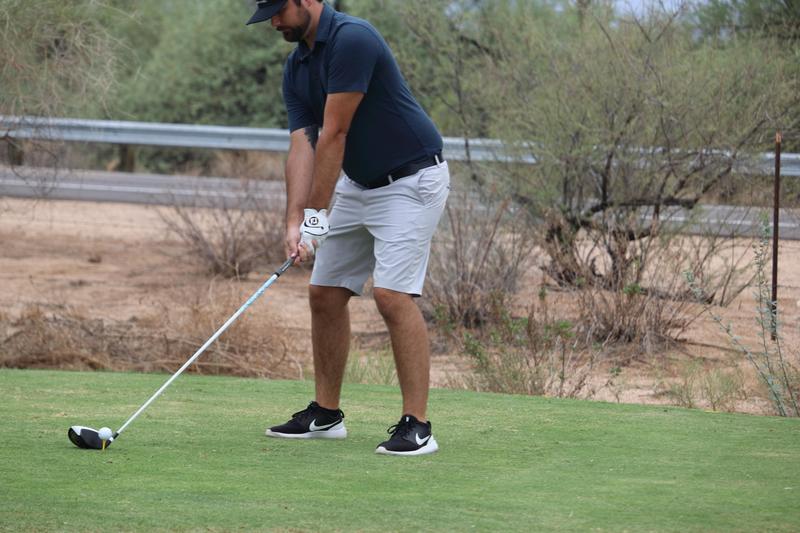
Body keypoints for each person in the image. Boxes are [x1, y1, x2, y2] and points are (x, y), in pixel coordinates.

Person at [247, 0, 449, 456]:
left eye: (278, 11)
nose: (273, 22)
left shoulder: (353, 39)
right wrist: (295, 220)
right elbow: (303, 145)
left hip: (412, 178)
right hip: (360, 184)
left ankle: (417, 426)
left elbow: (334, 134)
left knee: (392, 295)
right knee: (325, 292)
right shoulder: (297, 66)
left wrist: (317, 218)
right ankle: (326, 414)